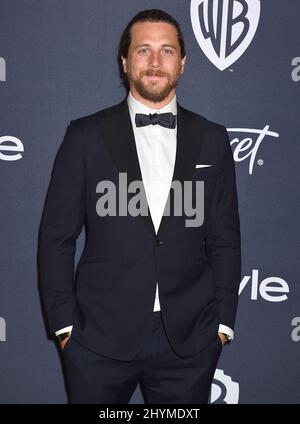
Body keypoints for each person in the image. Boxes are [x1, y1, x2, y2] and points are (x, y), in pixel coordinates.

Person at [38, 9, 241, 404]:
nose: (154, 61)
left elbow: (225, 238)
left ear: (182, 63)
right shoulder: (85, 136)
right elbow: (55, 237)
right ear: (125, 61)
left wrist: (221, 325)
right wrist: (65, 327)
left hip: (190, 341)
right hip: (97, 340)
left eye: (166, 51)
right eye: (143, 50)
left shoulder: (213, 139)